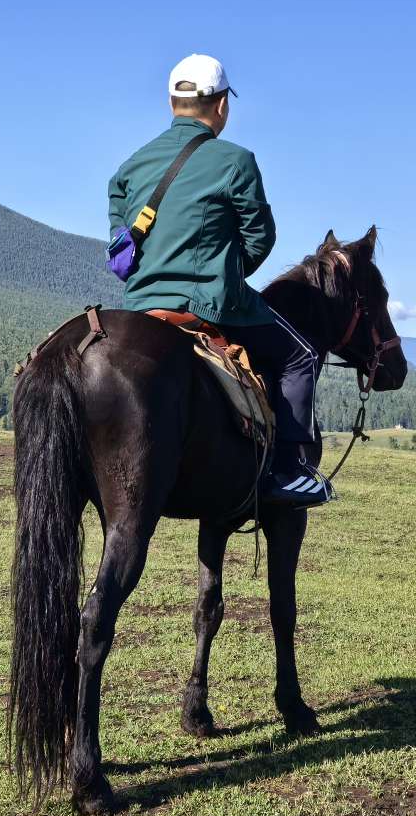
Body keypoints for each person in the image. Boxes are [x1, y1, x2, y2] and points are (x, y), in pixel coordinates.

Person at [107, 54, 329, 508]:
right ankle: (291, 471)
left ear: (172, 103)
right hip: (209, 302)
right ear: (222, 106)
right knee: (299, 356)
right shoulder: (236, 161)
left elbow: (120, 245)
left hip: (138, 305)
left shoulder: (128, 168)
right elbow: (260, 238)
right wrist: (224, 272)